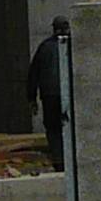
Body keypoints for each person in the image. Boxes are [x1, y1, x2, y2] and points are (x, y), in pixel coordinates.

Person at [25, 16, 72, 174]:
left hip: (50, 95)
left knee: (53, 129)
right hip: (70, 94)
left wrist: (31, 99)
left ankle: (59, 162)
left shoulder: (44, 47)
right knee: (70, 128)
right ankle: (71, 160)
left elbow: (33, 74)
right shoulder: (75, 46)